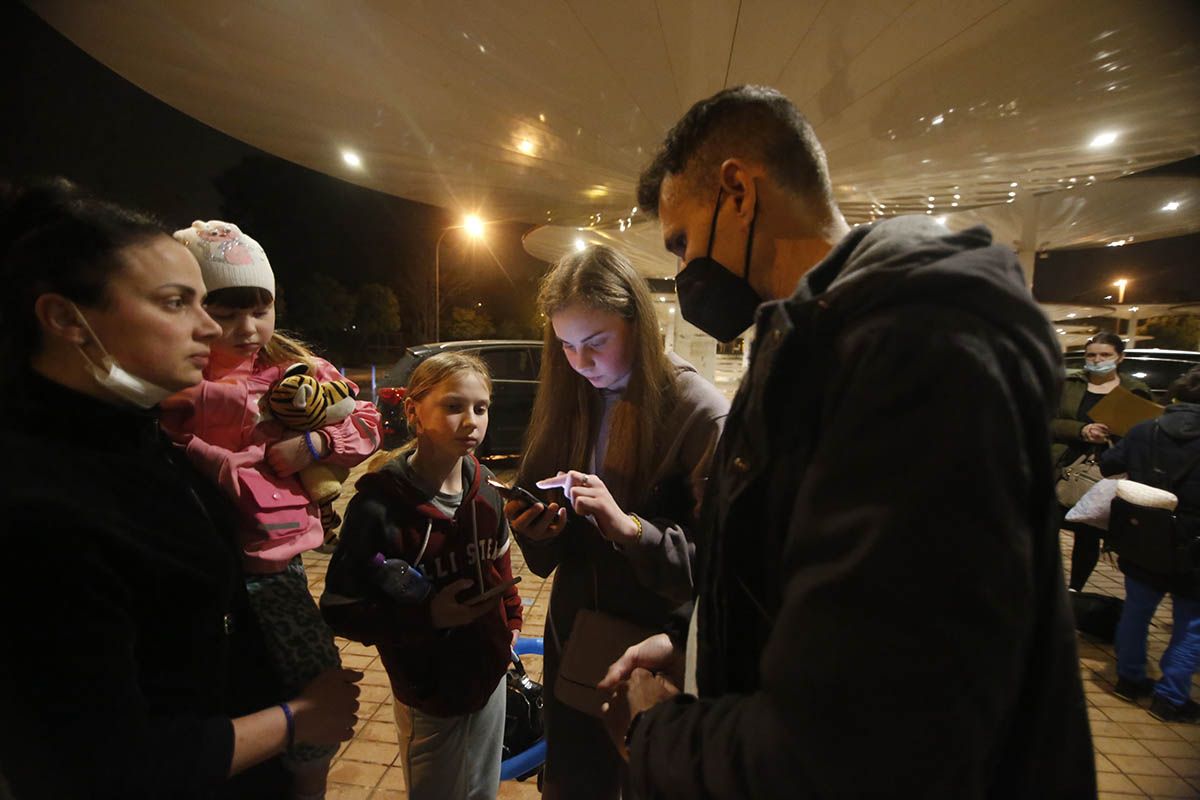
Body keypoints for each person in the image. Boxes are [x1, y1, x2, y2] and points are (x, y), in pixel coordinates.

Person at [597, 85, 1096, 797]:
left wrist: (658, 734)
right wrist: (695, 641)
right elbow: (810, 589)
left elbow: (855, 745)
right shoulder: (811, 345)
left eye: (681, 241)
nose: (682, 272)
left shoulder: (915, 355)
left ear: (738, 190)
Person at [0, 178, 362, 799]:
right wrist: (298, 719)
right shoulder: (45, 507)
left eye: (207, 302)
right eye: (177, 303)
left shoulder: (134, 435)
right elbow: (98, 765)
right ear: (65, 318)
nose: (210, 327)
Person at [160, 219, 381, 799]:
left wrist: (315, 445)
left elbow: (366, 420)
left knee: (316, 675)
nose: (247, 327)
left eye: (261, 308)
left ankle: (311, 782)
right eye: (226, 311)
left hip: (278, 571)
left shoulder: (296, 373)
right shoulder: (173, 382)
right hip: (207, 581)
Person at [506, 245, 729, 799]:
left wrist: (630, 527)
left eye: (597, 343)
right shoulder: (570, 399)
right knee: (572, 781)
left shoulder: (699, 412)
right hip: (574, 639)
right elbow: (541, 530)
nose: (580, 364)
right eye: (565, 347)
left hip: (655, 651)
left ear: (639, 324)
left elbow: (721, 567)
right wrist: (538, 527)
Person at [320, 352, 524, 800]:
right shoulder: (379, 507)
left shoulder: (487, 486)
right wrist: (428, 617)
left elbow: (501, 559)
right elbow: (339, 609)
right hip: (429, 693)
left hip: (489, 678)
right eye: (453, 406)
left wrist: (509, 625)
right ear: (413, 410)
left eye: (481, 408)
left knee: (482, 792)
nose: (470, 421)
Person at [1100, 365, 1200, 722]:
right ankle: (1171, 698)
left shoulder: (1146, 429)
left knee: (1137, 611)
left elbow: (1109, 464)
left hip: (1145, 536)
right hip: (1194, 548)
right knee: (1192, 624)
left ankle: (1129, 679)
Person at [1053, 332, 1152, 592]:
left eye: (1105, 355)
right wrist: (1081, 430)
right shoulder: (1069, 385)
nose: (1097, 360)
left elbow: (1143, 434)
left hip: (1103, 474)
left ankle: (1075, 591)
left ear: (1120, 357)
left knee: (1087, 537)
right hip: (1060, 468)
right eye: (1091, 355)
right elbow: (1046, 421)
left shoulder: (1134, 391)